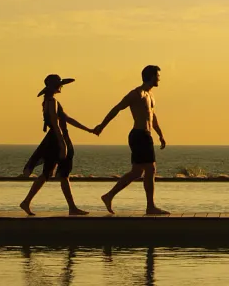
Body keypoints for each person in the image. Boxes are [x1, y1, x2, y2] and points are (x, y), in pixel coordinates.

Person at [94, 65, 168, 214]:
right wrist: (102, 126)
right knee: (150, 169)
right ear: (152, 76)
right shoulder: (137, 94)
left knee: (137, 172)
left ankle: (109, 196)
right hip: (139, 135)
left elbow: (152, 117)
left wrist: (160, 134)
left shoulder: (150, 95)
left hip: (146, 135)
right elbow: (117, 108)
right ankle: (150, 206)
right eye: (158, 76)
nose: (159, 78)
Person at [20, 74, 97, 215]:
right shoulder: (52, 102)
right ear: (56, 86)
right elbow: (55, 124)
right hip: (57, 139)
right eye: (60, 84)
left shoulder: (48, 102)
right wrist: (63, 144)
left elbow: (67, 119)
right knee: (57, 174)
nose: (62, 87)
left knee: (53, 174)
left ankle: (28, 202)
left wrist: (89, 130)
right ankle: (71, 207)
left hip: (56, 138)